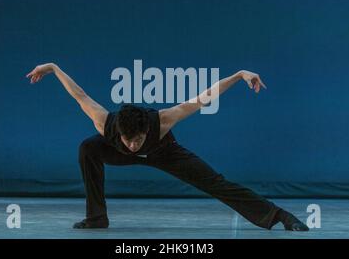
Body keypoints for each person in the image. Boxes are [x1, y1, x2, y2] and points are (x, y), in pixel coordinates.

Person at [26, 63, 309, 231]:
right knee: (87, 148)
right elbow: (79, 94)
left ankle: (278, 215)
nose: (134, 145)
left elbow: (203, 98)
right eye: (129, 140)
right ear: (120, 133)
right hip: (115, 153)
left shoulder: (162, 120)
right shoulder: (104, 123)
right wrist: (52, 67)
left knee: (216, 182)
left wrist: (238, 75)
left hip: (165, 153)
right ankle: (96, 217)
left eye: (138, 139)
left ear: (147, 130)